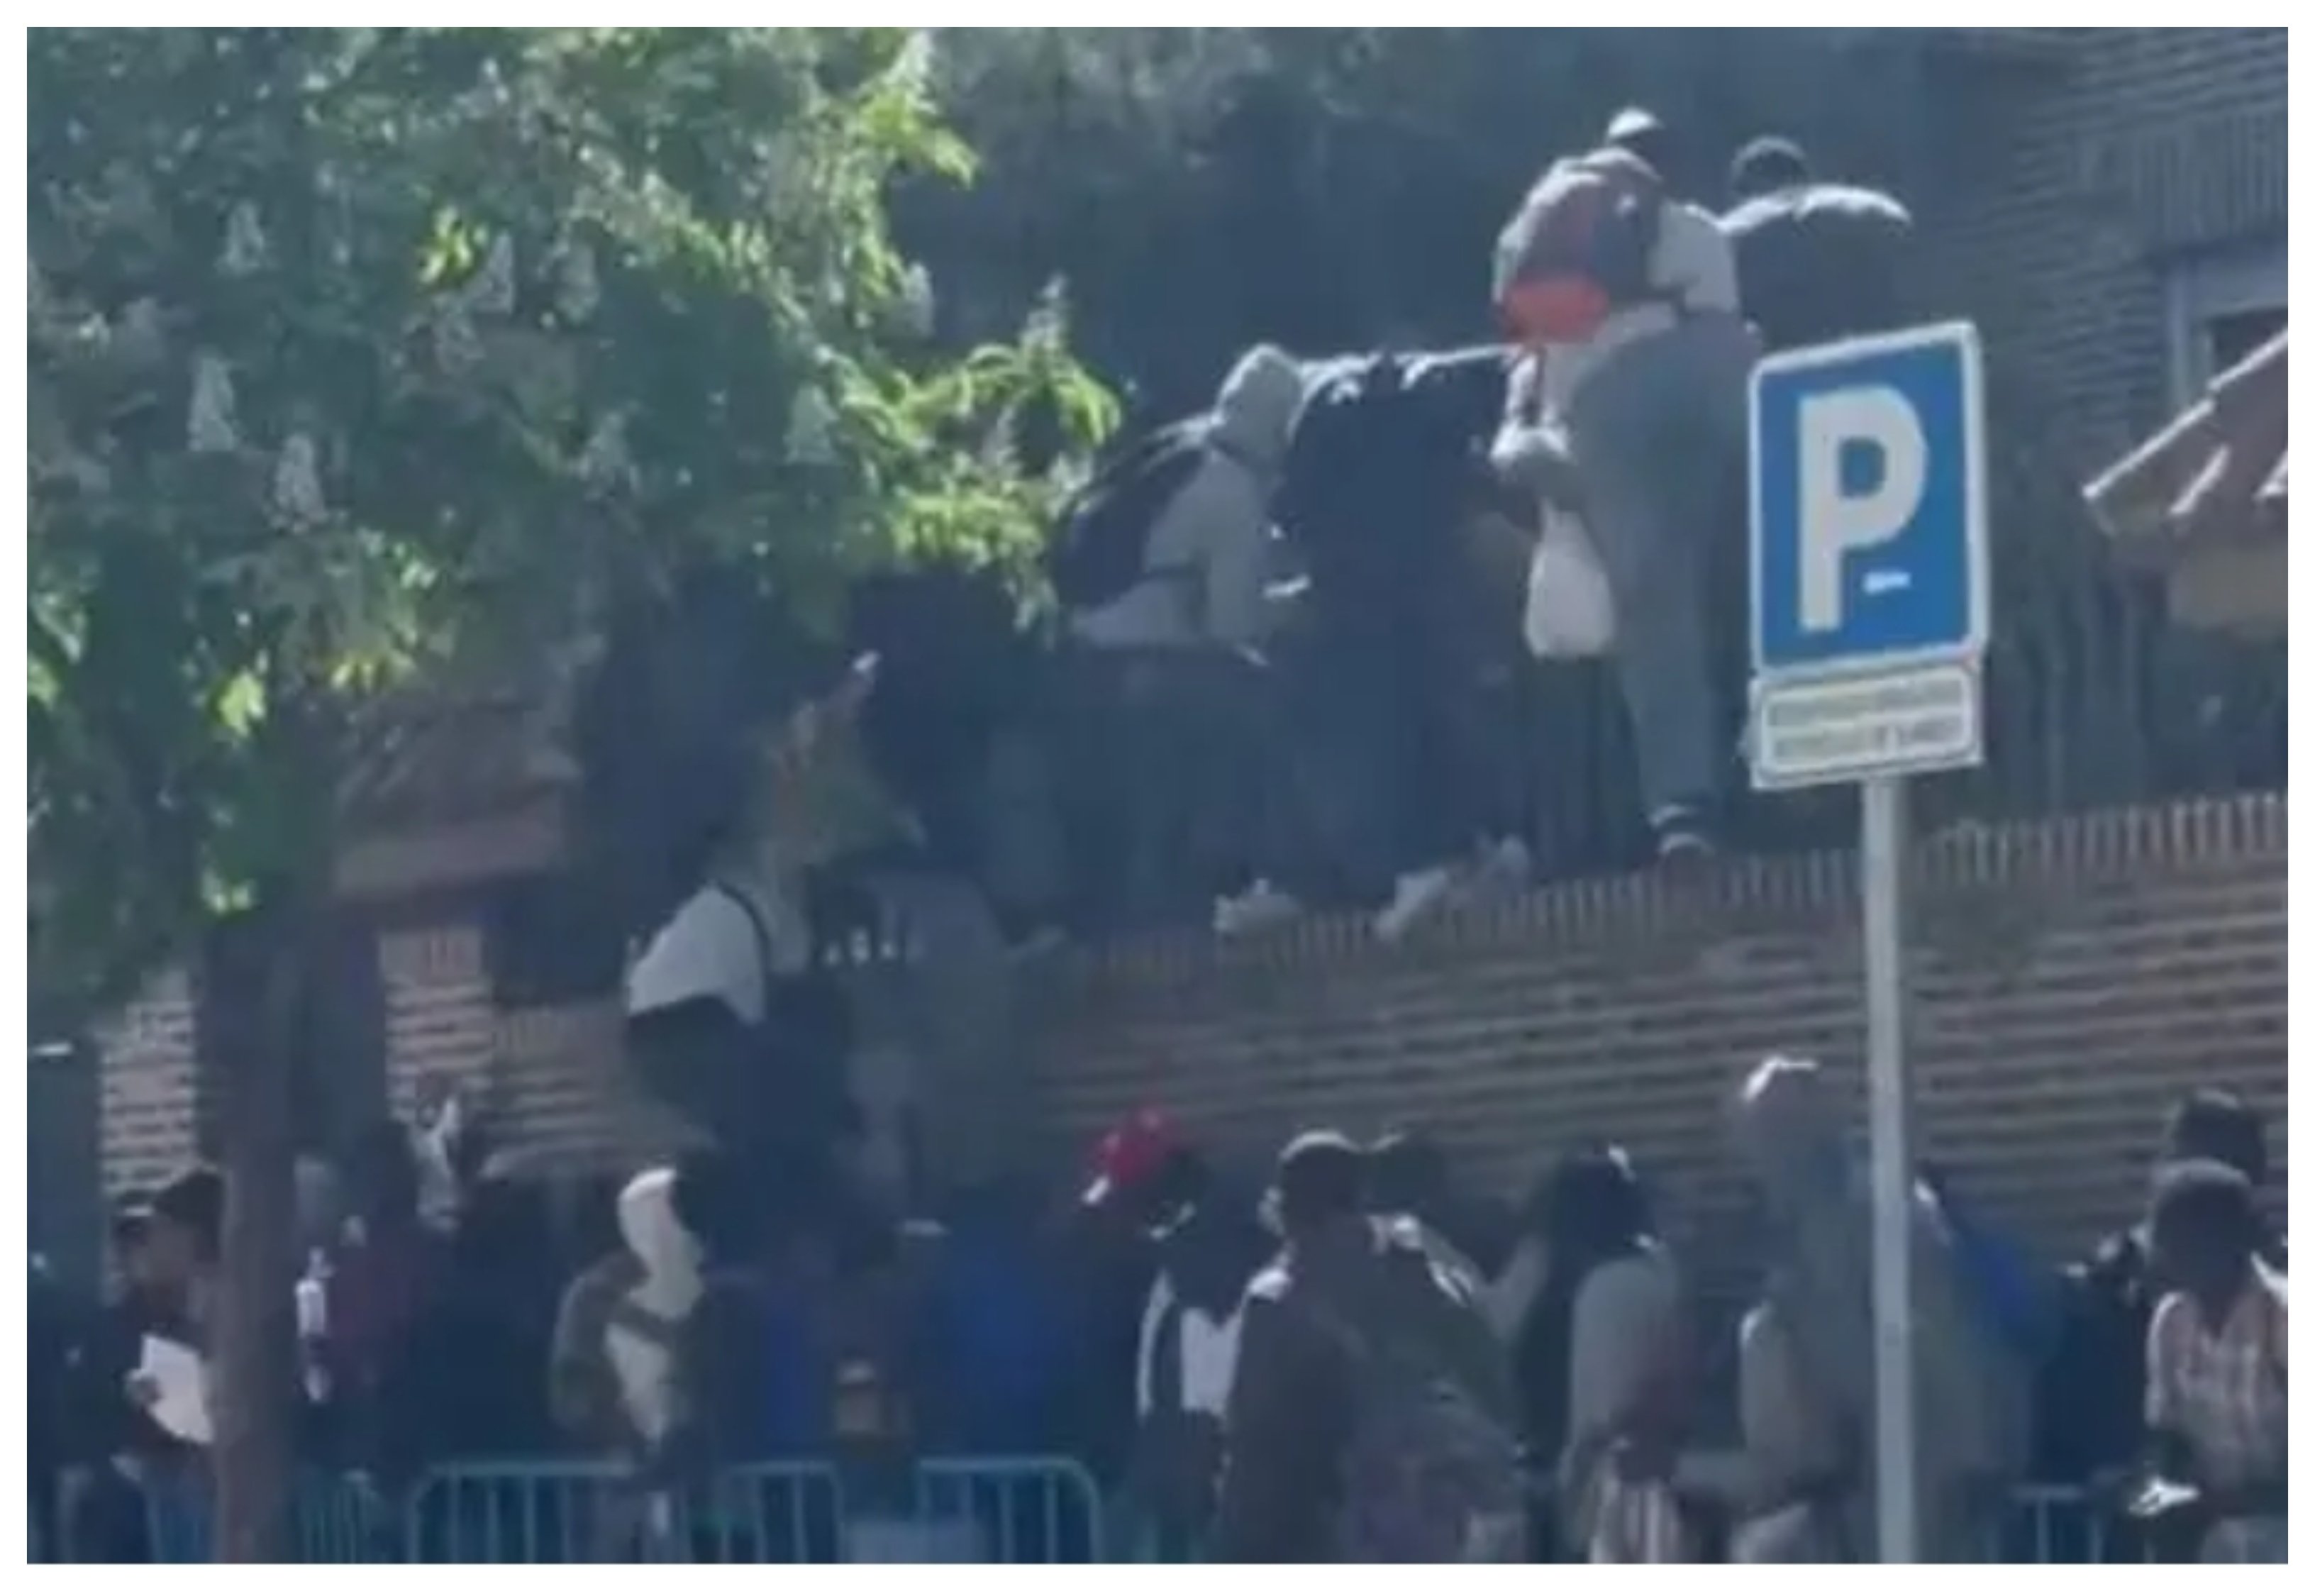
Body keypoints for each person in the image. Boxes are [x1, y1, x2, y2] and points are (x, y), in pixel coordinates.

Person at [1492, 116, 1759, 860]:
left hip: (1595, 412)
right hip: (1695, 375)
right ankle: (1782, 727)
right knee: (1764, 541)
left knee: (1652, 604)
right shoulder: (1691, 227)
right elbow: (1721, 329)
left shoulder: (1528, 237)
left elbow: (1524, 353)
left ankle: (1681, 811)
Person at [1729, 1055, 2023, 1561]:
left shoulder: (1880, 1212)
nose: (1762, 1156)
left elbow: (1943, 1338)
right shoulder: (1807, 1230)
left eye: (1776, 1133)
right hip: (1858, 1487)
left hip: (1920, 1479)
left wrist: (1969, 1460)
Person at [1062, 345, 1307, 933]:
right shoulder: (1236, 492)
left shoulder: (1178, 448)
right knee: (1276, 706)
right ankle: (1267, 879)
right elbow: (1233, 628)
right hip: (1157, 666)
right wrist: (1298, 603)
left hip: (1083, 661)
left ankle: (1146, 912)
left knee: (1149, 800)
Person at [1214, 1131, 1520, 1563]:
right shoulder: (1434, 1275)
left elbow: (1255, 1460)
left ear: (1288, 1213)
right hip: (1448, 1537)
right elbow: (1497, 1391)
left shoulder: (1279, 1299)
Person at [1511, 1146, 1694, 1561]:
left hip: (1610, 1502)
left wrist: (1571, 1496)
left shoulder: (1608, 1288)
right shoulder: (1658, 1276)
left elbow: (1603, 1416)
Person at [2135, 1160, 2285, 1563]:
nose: (2164, 1255)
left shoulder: (2283, 1317)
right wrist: (2152, 1485)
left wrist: (2209, 1504)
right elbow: (2168, 1434)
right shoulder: (2171, 1321)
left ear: (2227, 1240)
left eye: (2180, 1241)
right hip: (2219, 1551)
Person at [1719, 135, 1914, 355]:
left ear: (1742, 194)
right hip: (1888, 352)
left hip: (1789, 367)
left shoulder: (1728, 233)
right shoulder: (1881, 208)